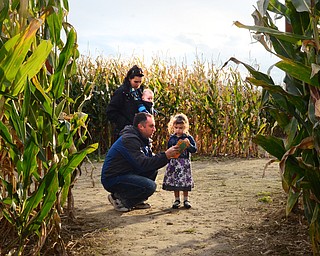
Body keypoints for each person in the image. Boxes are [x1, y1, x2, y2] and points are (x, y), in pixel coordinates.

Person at [101, 112, 180, 212]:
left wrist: (167, 155)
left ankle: (135, 200)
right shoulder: (129, 140)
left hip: (125, 173)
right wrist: (166, 155)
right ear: (141, 127)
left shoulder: (142, 139)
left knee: (153, 171)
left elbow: (149, 161)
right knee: (150, 186)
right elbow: (142, 164)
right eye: (151, 126)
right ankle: (120, 200)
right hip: (112, 178)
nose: (154, 129)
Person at [162, 113, 197, 209]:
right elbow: (169, 149)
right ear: (173, 127)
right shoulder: (172, 138)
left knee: (184, 182)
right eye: (176, 127)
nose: (178, 130)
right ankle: (177, 199)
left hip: (184, 163)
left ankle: (186, 199)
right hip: (174, 163)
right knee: (175, 182)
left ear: (185, 127)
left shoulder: (188, 138)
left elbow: (194, 150)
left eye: (181, 128)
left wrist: (188, 145)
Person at [106, 65, 145, 141]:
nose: (138, 84)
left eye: (140, 82)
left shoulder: (140, 92)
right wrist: (125, 124)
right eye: (136, 82)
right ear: (129, 79)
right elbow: (110, 112)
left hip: (138, 131)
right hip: (125, 132)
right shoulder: (121, 92)